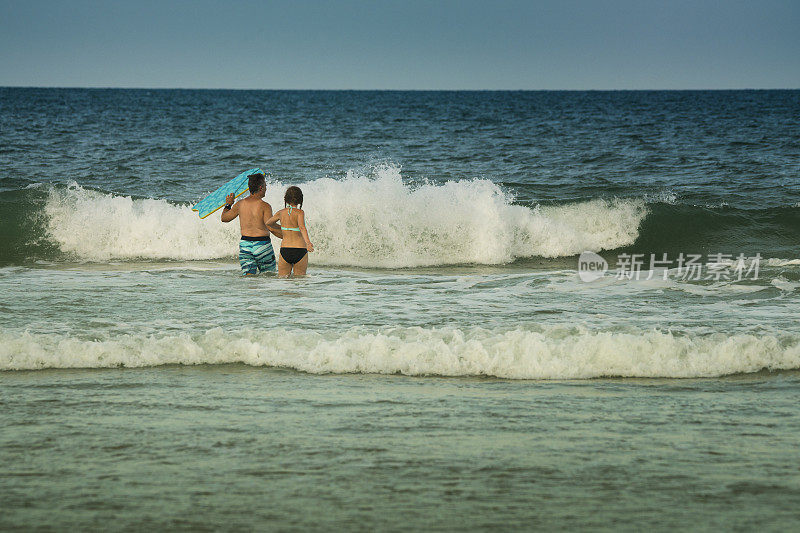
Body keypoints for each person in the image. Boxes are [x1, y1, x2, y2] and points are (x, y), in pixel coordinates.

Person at [221, 172, 283, 276]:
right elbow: (270, 227)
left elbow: (224, 218)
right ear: (260, 187)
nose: (266, 188)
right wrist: (288, 234)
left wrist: (228, 204)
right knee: (268, 276)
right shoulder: (265, 206)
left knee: (249, 279)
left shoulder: (240, 204)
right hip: (262, 245)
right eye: (265, 186)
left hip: (245, 245)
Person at [265, 186, 314, 277]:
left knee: (283, 281)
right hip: (300, 249)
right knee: (299, 281)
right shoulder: (300, 212)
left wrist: (282, 228)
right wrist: (308, 243)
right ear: (300, 199)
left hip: (285, 249)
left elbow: (268, 223)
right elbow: (302, 228)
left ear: (286, 199)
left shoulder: (281, 212)